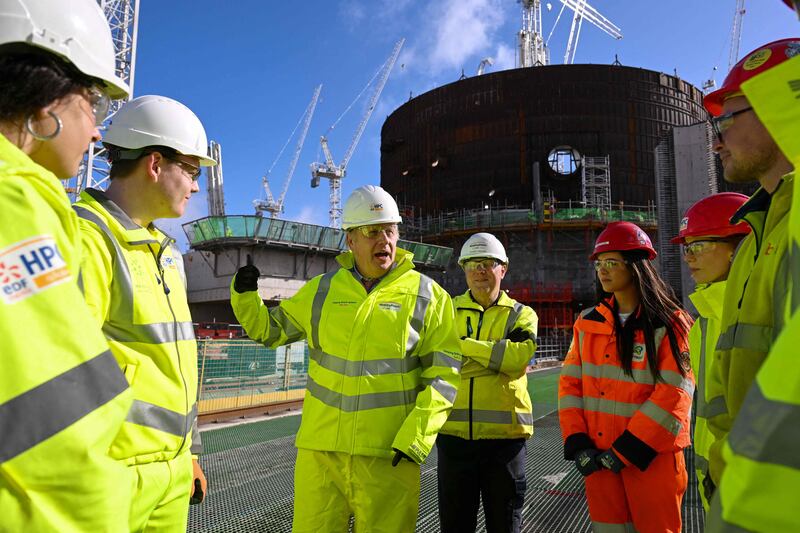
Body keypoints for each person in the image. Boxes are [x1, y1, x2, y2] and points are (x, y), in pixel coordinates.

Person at [231, 185, 461, 533]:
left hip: (389, 455)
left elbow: (444, 376)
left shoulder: (429, 296)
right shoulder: (321, 291)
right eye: (372, 232)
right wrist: (246, 296)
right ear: (350, 239)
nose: (383, 240)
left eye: (390, 230)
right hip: (321, 454)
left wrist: (417, 438)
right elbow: (270, 330)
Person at [0, 1, 134, 530]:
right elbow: (57, 436)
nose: (98, 133)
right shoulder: (15, 199)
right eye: (93, 105)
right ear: (45, 100)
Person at [72, 95, 216, 531]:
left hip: (170, 474)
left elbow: (177, 368)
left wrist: (187, 454)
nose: (195, 186)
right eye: (191, 171)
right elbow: (59, 374)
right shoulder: (86, 239)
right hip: (109, 478)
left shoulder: (169, 256)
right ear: (155, 164)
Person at [705, 7, 800, 529]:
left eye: (726, 119)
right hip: (737, 492)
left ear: (779, 108)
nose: (715, 140)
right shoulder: (752, 244)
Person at [558, 222, 694, 533]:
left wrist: (626, 451)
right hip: (599, 460)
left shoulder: (671, 324)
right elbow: (570, 385)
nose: (602, 271)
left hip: (650, 462)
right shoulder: (586, 323)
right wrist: (578, 443)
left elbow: (674, 394)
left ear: (636, 267)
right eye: (600, 264)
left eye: (612, 263)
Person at [436, 233, 538, 533]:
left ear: (503, 269)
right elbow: (437, 360)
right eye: (473, 264)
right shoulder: (445, 311)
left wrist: (465, 347)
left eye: (488, 263)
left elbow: (517, 358)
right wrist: (494, 357)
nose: (480, 271)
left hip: (505, 443)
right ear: (463, 269)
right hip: (454, 441)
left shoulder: (521, 314)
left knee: (505, 526)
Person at [670, 193, 750, 510]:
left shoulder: (766, 313)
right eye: (686, 248)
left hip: (756, 492)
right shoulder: (701, 326)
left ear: (740, 248)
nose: (688, 257)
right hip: (715, 488)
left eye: (698, 246)